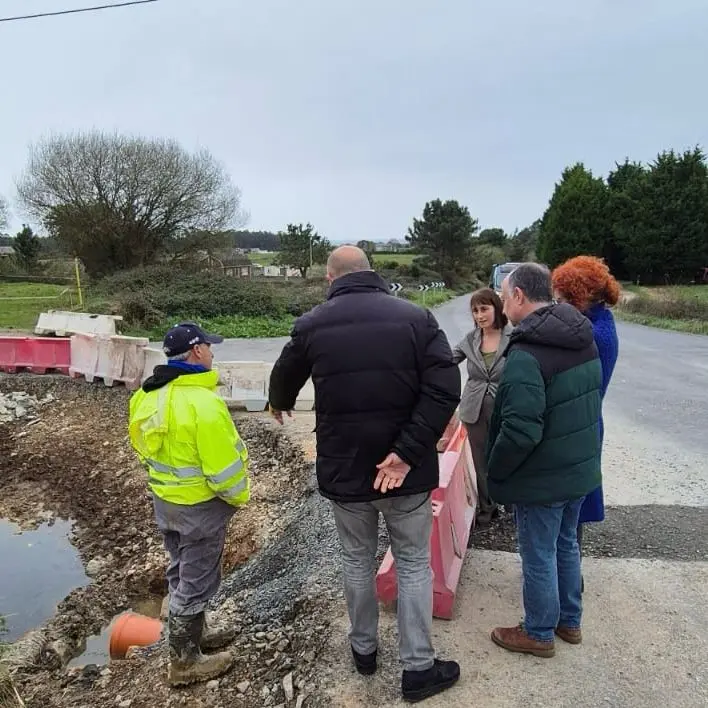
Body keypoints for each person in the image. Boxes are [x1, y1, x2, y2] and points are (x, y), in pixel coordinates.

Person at [268, 246, 461, 703]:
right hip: (405, 474)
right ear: (372, 275)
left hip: (346, 471)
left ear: (330, 279)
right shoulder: (418, 319)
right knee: (413, 562)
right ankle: (418, 669)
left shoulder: (312, 323)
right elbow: (444, 389)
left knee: (356, 559)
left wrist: (280, 402)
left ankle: (364, 651)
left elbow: (282, 380)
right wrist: (405, 453)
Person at [486, 263, 602, 658]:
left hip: (543, 477)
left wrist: (495, 471)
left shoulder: (527, 353)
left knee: (538, 551)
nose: (501, 305)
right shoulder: (582, 337)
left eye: (503, 297)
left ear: (519, 296)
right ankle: (569, 621)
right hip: (577, 470)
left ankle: (537, 631)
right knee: (566, 543)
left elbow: (520, 431)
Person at [128, 322, 250, 686]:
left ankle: (196, 636)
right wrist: (240, 497)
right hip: (200, 508)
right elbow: (223, 472)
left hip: (166, 501)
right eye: (210, 347)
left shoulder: (148, 395)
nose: (213, 352)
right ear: (197, 351)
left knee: (181, 569)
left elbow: (141, 447)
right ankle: (184, 662)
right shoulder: (204, 404)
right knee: (195, 582)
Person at [552, 256, 620, 588]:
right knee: (571, 509)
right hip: (588, 422)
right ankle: (566, 578)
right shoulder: (601, 322)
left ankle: (567, 583)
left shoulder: (590, 332)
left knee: (570, 512)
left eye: (562, 295)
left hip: (580, 425)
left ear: (578, 295)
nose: (557, 301)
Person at [452, 288, 514, 526]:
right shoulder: (471, 339)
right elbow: (447, 359)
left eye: (484, 309)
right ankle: (487, 507)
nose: (479, 315)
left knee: (506, 456)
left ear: (496, 308)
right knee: (480, 461)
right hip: (474, 409)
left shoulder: (515, 336)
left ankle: (511, 502)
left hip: (505, 408)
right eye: (475, 311)